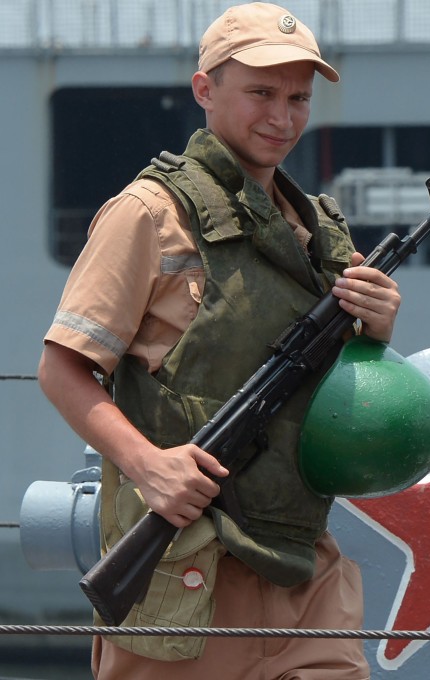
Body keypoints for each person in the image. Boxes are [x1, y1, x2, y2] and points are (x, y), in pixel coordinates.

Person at [37, 3, 396, 678]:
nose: (282, 118)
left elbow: (339, 398)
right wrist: (149, 465)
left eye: (298, 98)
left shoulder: (320, 233)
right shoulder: (148, 214)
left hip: (303, 570)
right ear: (205, 91)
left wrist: (374, 330)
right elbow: (61, 370)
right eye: (261, 93)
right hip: (188, 573)